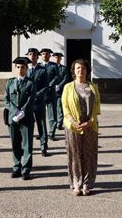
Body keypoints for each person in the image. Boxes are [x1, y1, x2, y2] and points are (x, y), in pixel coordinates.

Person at [62, 58, 101, 196]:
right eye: (78, 68)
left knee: (89, 155)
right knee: (75, 155)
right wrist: (73, 121)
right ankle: (76, 183)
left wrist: (91, 121)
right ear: (74, 71)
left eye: (83, 68)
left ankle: (87, 184)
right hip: (73, 126)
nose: (80, 70)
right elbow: (65, 107)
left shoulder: (93, 87)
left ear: (87, 71)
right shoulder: (67, 87)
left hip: (90, 126)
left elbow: (97, 108)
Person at [4, 57, 37, 180]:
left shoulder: (30, 83)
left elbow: (31, 99)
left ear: (26, 69)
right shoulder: (10, 82)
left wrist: (23, 111)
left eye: (23, 67)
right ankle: (16, 167)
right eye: (18, 67)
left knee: (27, 145)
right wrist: (15, 111)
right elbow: (6, 99)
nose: (20, 69)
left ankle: (26, 170)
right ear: (15, 68)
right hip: (13, 118)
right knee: (15, 144)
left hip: (26, 117)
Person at [26, 48, 50, 157]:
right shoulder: (24, 69)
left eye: (34, 55)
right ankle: (26, 147)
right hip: (27, 103)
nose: (32, 56)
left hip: (38, 102)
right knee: (27, 125)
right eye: (30, 54)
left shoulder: (42, 70)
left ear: (37, 56)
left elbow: (46, 86)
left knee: (41, 124)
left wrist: (36, 95)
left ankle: (43, 146)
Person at [40, 48, 61, 141]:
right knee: (40, 114)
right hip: (40, 93)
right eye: (43, 54)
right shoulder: (38, 66)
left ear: (49, 56)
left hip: (50, 92)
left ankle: (51, 133)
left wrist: (50, 84)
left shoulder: (54, 65)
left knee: (52, 113)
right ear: (41, 55)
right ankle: (42, 133)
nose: (45, 55)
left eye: (47, 54)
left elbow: (57, 76)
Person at [51, 52, 70, 131]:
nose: (57, 59)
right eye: (55, 57)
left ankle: (59, 123)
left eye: (59, 57)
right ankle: (53, 124)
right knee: (52, 108)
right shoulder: (50, 67)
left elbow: (66, 78)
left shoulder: (63, 68)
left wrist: (59, 85)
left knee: (60, 107)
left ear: (61, 59)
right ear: (53, 58)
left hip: (60, 90)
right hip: (51, 90)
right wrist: (52, 85)